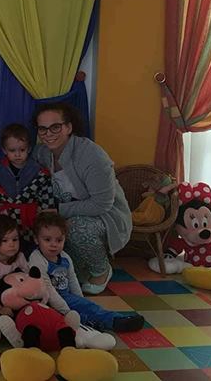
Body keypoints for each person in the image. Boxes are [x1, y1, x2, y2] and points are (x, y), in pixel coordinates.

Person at [32, 102, 132, 295]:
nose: (48, 134)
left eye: (55, 127)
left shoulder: (92, 155)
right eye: (42, 129)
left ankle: (101, 270)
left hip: (105, 217)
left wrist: (59, 211)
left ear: (69, 127)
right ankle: (78, 270)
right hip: (67, 213)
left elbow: (102, 204)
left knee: (76, 227)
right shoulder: (42, 153)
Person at [28, 212, 144, 333]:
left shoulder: (64, 257)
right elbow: (47, 288)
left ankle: (115, 321)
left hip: (66, 298)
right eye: (47, 240)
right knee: (81, 311)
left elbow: (72, 279)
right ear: (36, 239)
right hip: (47, 300)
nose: (54, 245)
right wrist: (66, 311)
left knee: (89, 307)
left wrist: (80, 300)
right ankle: (109, 322)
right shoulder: (37, 259)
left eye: (59, 240)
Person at [0, 215, 75, 347]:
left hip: (22, 299)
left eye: (15, 239)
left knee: (37, 312)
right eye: (5, 240)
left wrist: (38, 295)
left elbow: (30, 277)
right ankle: (16, 334)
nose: (12, 244)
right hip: (2, 300)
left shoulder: (19, 257)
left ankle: (57, 326)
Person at [0, 122, 57, 252]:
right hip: (6, 224)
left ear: (29, 148)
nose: (17, 154)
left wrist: (45, 219)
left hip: (31, 223)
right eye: (12, 150)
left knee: (31, 251)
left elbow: (47, 201)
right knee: (8, 250)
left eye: (22, 150)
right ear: (4, 150)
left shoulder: (40, 173)